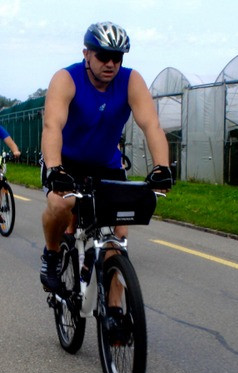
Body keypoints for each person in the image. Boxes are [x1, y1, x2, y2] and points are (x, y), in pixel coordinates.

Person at [39, 21, 173, 296]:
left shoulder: (130, 80)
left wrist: (162, 168)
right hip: (67, 164)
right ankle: (51, 255)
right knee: (60, 204)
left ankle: (115, 319)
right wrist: (54, 168)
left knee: (117, 239)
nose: (111, 64)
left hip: (107, 165)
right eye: (103, 56)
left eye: (117, 58)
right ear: (86, 53)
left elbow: (152, 125)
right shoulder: (67, 78)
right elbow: (53, 125)